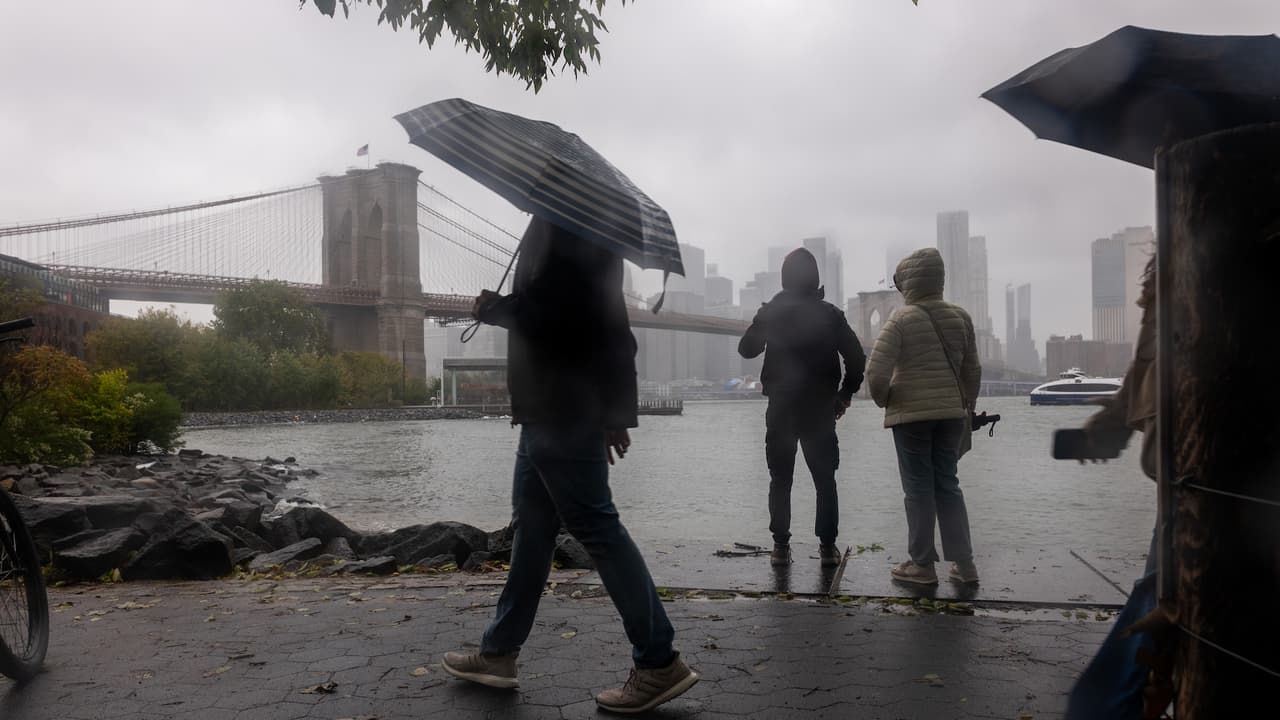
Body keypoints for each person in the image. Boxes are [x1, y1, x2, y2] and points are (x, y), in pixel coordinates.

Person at [441, 217, 699, 714]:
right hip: (549, 411)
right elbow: (608, 325)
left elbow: (560, 318)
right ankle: (498, 652)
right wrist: (615, 412)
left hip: (560, 408)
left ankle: (658, 660)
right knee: (532, 530)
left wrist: (496, 309)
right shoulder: (582, 223)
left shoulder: (566, 226)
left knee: (598, 529)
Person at [1064, 255, 1159, 720]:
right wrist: (1114, 422)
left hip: (1206, 493)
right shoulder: (1174, 273)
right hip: (1180, 489)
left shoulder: (1186, 270)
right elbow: (1147, 366)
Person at [738, 247, 865, 567]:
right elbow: (856, 358)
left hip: (781, 408)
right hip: (820, 409)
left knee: (781, 479)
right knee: (825, 480)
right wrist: (845, 394)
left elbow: (747, 349)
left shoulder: (772, 312)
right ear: (815, 278)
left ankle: (780, 548)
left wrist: (762, 318)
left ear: (784, 278)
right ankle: (828, 549)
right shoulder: (831, 314)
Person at [865, 247, 981, 586]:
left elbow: (875, 373)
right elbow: (972, 370)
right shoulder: (961, 317)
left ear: (908, 282)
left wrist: (887, 400)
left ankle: (922, 565)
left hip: (911, 417)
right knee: (948, 485)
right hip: (951, 415)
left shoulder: (900, 320)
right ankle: (965, 565)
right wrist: (966, 406)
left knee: (918, 488)